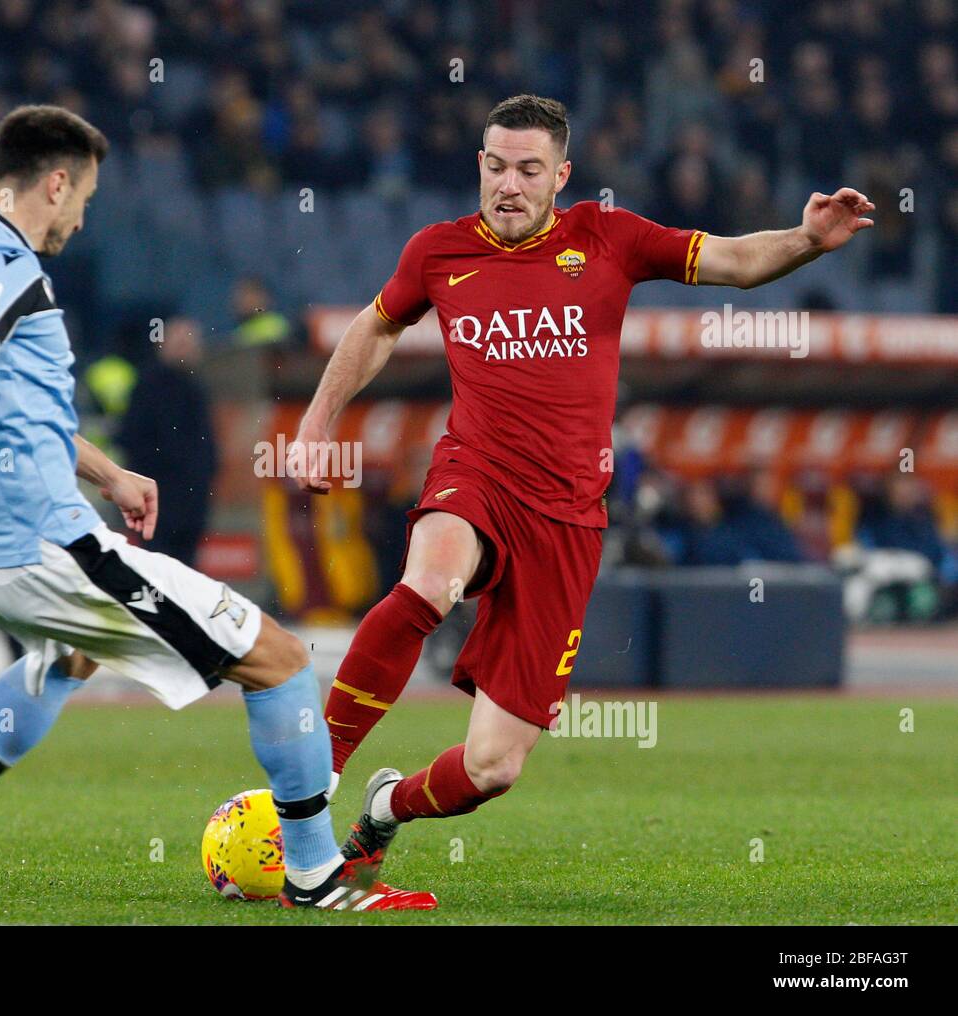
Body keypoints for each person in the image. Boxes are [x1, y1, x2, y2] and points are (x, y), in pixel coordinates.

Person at [291, 93, 875, 882]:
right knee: (429, 584)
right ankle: (306, 785)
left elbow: (734, 262)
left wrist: (807, 240)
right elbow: (378, 324)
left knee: (493, 768)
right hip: (477, 474)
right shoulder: (438, 250)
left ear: (560, 176)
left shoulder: (610, 238)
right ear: (480, 167)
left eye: (529, 170)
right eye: (496, 166)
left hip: (568, 520)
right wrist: (319, 423)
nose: (509, 184)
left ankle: (383, 809)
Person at [0, 105, 433, 911]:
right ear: (56, 182)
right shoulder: (6, 263)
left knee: (66, 659)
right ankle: (316, 874)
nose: (81, 216)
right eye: (85, 198)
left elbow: (1, 400)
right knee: (278, 662)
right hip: (45, 547)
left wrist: (108, 473)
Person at [117, 317, 217, 567]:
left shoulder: (196, 387)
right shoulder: (148, 386)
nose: (187, 349)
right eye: (180, 342)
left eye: (191, 342)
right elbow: (133, 440)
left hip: (190, 507)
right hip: (159, 504)